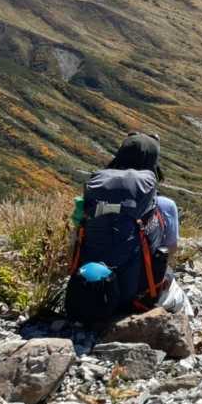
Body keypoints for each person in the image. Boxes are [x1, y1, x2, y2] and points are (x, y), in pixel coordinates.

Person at [70, 131, 192, 318]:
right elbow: (171, 248)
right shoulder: (165, 205)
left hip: (89, 290)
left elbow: (75, 244)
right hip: (139, 296)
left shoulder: (92, 200)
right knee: (182, 301)